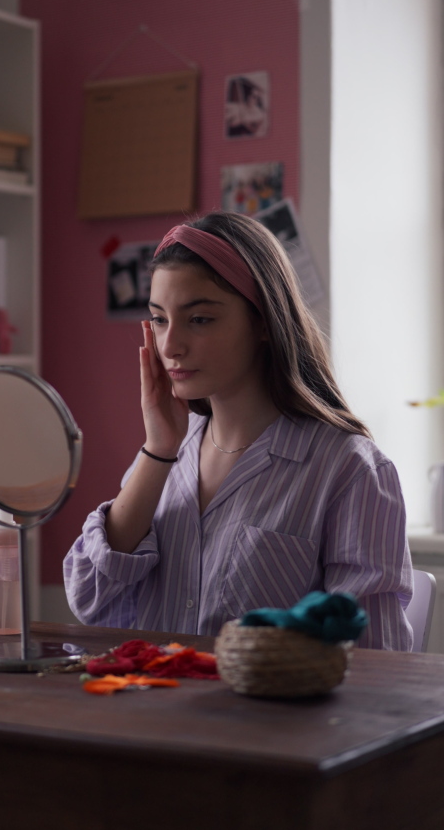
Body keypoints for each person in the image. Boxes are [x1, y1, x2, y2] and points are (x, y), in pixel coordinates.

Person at [64, 212, 413, 650]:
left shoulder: (349, 470)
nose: (170, 345)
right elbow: (90, 600)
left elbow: (375, 660)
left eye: (200, 319)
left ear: (264, 322)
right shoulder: (165, 456)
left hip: (274, 719)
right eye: (159, 320)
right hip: (151, 710)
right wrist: (158, 450)